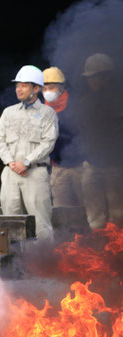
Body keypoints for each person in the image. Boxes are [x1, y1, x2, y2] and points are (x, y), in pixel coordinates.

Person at [0, 65, 58, 241]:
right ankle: (14, 265)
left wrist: (27, 162)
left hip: (35, 173)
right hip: (10, 173)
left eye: (23, 85)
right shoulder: (9, 113)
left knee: (41, 224)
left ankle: (45, 266)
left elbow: (48, 142)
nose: (18, 89)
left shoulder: (48, 113)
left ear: (36, 88)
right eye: (17, 85)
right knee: (10, 221)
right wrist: (10, 162)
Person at [77, 53, 123, 229]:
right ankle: (98, 250)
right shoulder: (85, 103)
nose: (91, 81)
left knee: (118, 214)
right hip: (92, 165)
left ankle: (117, 252)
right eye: (89, 77)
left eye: (95, 76)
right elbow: (82, 131)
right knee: (94, 216)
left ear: (106, 76)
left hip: (115, 167)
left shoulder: (119, 100)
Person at [42, 66, 85, 207]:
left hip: (80, 166)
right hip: (57, 168)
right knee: (61, 209)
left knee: (86, 207)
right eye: (44, 88)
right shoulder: (41, 111)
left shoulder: (77, 107)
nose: (48, 91)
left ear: (62, 87)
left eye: (52, 87)